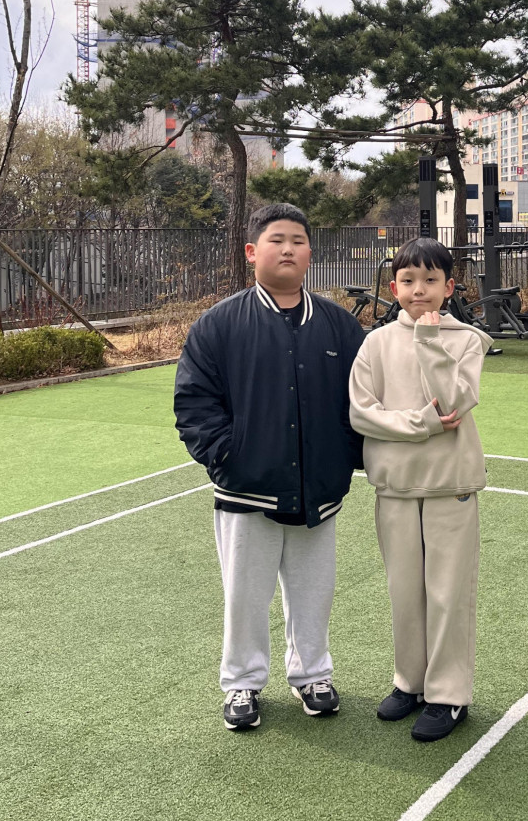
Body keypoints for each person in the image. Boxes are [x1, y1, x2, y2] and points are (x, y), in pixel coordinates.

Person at [174, 203, 364, 731]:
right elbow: (194, 404)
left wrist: (344, 460)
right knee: (244, 596)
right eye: (276, 240)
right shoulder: (219, 324)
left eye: (298, 241)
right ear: (251, 251)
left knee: (314, 593)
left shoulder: (338, 325)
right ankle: (241, 682)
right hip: (245, 491)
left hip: (318, 489)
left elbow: (363, 399)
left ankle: (313, 675)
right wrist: (228, 458)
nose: (288, 249)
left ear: (310, 253)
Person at [349, 237, 493, 743]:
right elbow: (362, 414)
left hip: (450, 485)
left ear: (450, 287)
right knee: (404, 591)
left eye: (431, 280)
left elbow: (454, 402)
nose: (419, 290)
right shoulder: (375, 343)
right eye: (408, 280)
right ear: (394, 288)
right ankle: (409, 682)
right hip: (394, 486)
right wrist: (423, 424)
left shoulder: (467, 340)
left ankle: (448, 695)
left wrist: (430, 341)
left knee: (448, 593)